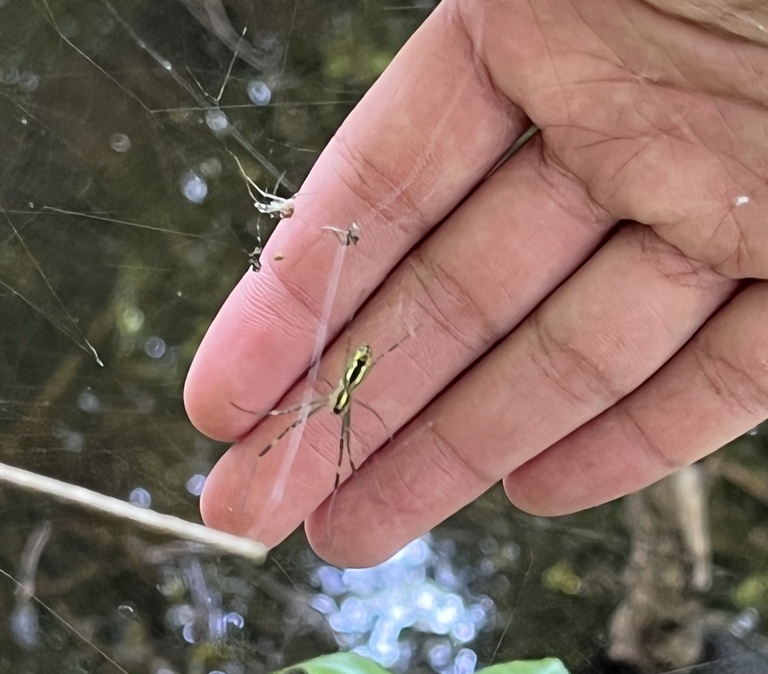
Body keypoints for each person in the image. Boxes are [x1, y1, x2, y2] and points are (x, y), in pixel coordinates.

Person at [184, 0, 768, 568]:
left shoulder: (343, 392)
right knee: (303, 425)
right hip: (360, 370)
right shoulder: (338, 398)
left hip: (362, 365)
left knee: (324, 429)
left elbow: (363, 374)